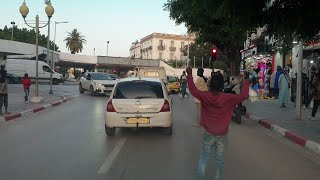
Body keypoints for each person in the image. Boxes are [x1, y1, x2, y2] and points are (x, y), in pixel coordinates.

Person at [186, 67, 249, 180]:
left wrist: (189, 74)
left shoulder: (204, 96)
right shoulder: (228, 98)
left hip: (208, 133)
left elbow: (192, 90)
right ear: (221, 85)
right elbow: (243, 96)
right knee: (219, 160)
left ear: (210, 84)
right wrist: (246, 80)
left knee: (204, 158)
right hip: (222, 134)